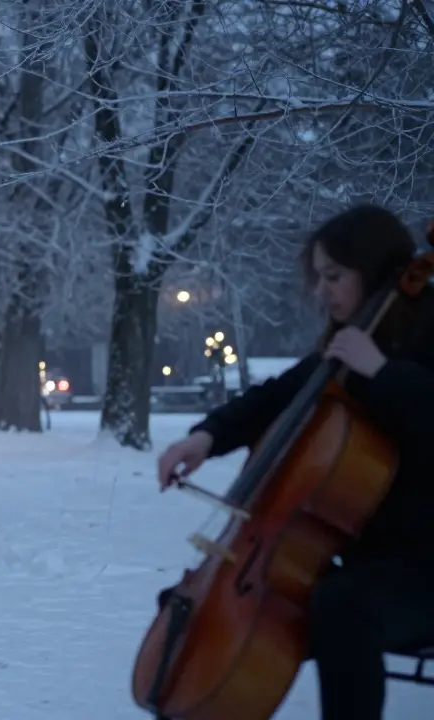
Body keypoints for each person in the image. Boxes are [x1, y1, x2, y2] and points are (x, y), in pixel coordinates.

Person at [155, 204, 434, 720]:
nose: (321, 291)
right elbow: (277, 395)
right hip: (367, 562)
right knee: (186, 607)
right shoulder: (349, 342)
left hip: (423, 568)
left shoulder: (416, 335)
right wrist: (205, 437)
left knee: (342, 606)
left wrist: (383, 374)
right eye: (318, 277)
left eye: (334, 276)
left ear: (371, 271)